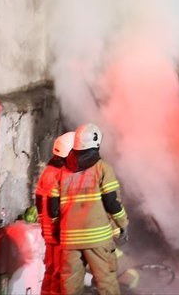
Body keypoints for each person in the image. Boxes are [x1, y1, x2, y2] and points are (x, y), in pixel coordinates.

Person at [49, 122, 129, 295]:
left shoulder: (62, 173)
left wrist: (58, 229)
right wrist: (123, 223)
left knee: (69, 287)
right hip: (97, 238)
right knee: (106, 283)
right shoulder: (103, 169)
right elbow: (112, 202)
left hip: (69, 240)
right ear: (97, 144)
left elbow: (52, 207)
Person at [36, 131, 75, 295]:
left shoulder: (48, 171)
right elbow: (58, 208)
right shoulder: (61, 175)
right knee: (62, 277)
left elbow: (39, 201)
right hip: (60, 235)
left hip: (49, 234)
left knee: (50, 274)